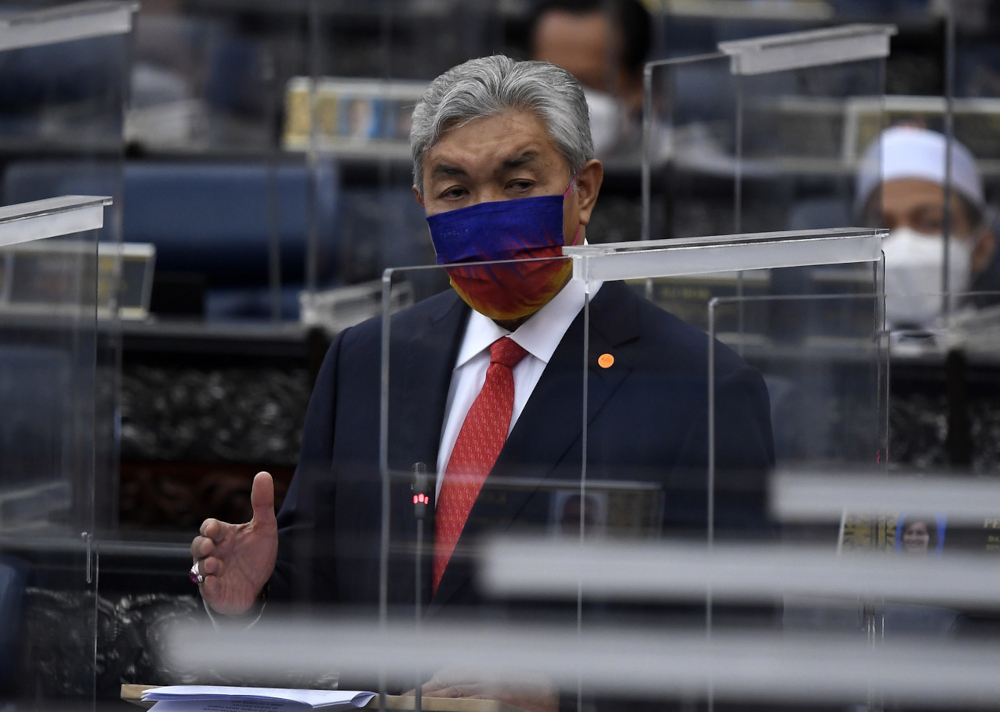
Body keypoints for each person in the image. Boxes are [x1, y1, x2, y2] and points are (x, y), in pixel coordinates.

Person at [190, 55, 773, 687]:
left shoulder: (701, 389)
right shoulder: (366, 362)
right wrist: (250, 604)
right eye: (456, 191)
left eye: (518, 184)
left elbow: (734, 645)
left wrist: (563, 698)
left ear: (583, 191)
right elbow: (327, 601)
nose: (486, 213)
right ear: (423, 205)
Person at [857, 125, 998, 329]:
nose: (904, 244)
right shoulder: (824, 354)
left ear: (982, 247)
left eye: (931, 222)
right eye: (882, 226)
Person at [530, 0, 651, 156]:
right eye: (549, 80)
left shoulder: (680, 169)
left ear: (639, 85)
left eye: (589, 83)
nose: (566, 102)